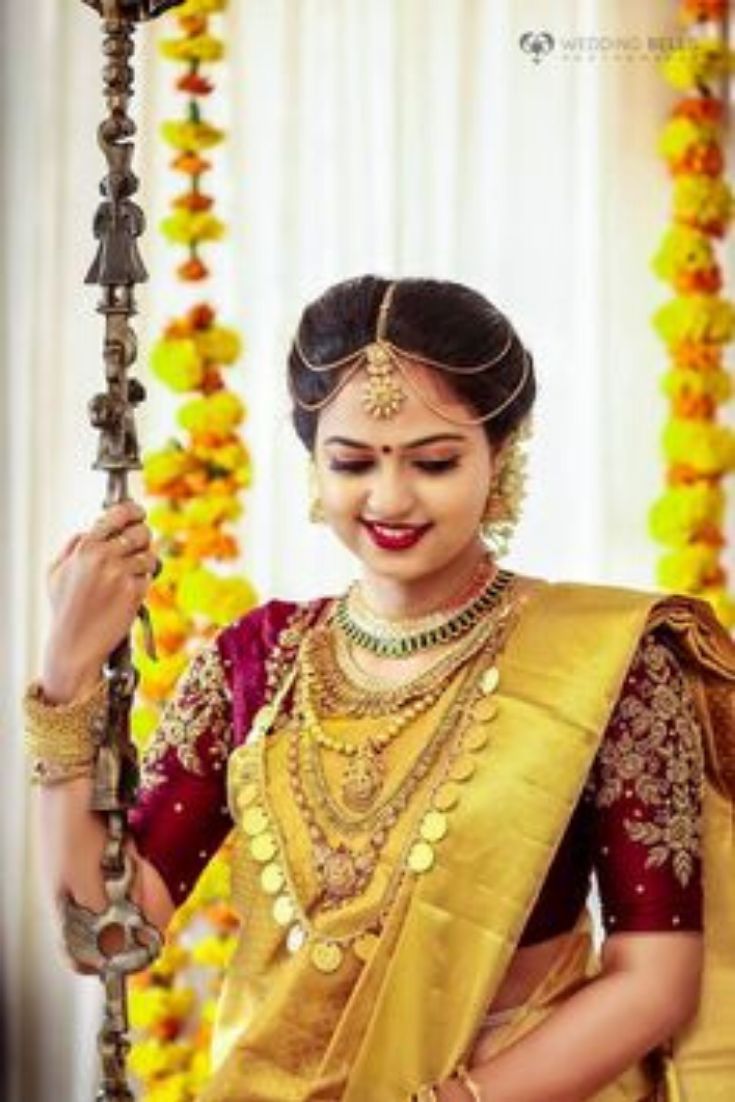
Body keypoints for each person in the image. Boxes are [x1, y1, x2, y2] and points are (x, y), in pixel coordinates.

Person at [25, 276, 735, 1102]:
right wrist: (67, 674)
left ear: (499, 457)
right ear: (312, 465)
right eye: (352, 462)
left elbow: (656, 979)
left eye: (434, 462)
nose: (391, 498)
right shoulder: (254, 662)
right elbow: (107, 936)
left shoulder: (606, 662)